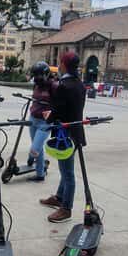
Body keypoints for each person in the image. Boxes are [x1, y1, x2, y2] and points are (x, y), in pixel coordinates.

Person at [38, 52, 86, 223]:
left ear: (64, 65)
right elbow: (72, 109)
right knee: (65, 168)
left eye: (60, 63)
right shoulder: (79, 84)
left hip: (64, 135)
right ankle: (59, 197)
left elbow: (57, 112)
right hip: (75, 132)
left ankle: (66, 208)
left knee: (67, 173)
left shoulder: (63, 85)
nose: (58, 65)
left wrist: (48, 116)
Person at [27, 62, 55, 182]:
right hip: (33, 119)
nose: (37, 78)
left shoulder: (54, 86)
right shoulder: (36, 85)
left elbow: (59, 104)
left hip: (45, 122)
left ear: (46, 74)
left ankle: (31, 157)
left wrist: (52, 112)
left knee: (35, 149)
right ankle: (40, 174)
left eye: (39, 75)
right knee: (38, 148)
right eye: (35, 75)